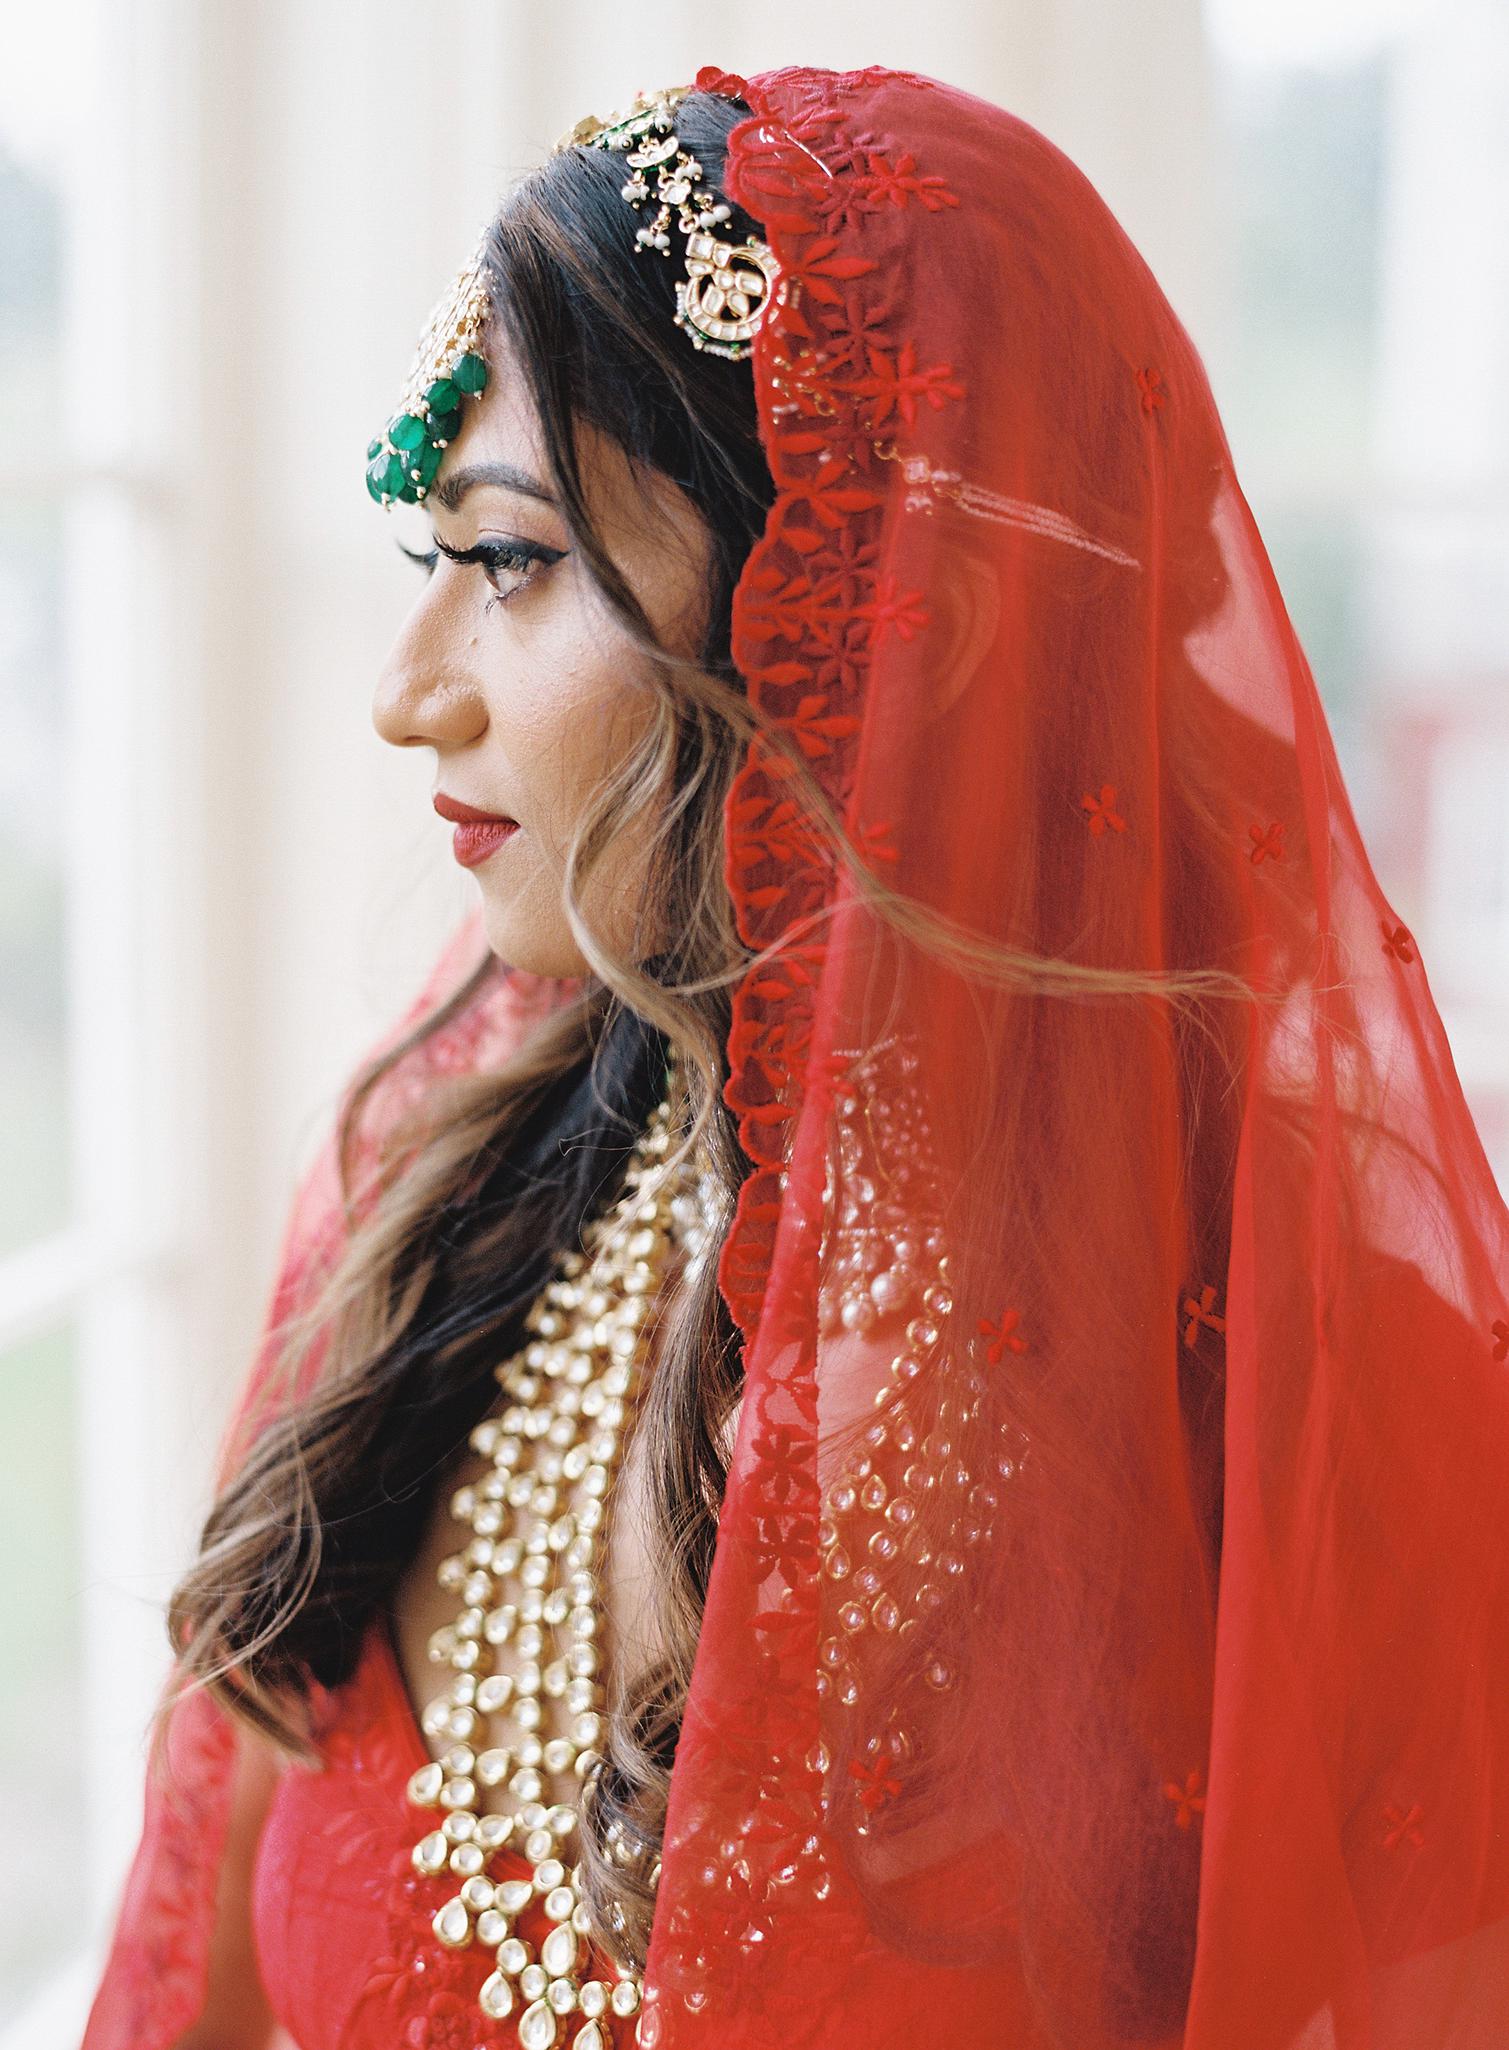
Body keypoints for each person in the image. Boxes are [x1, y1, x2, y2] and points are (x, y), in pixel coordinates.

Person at [81, 61, 1509, 2050]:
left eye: (507, 562)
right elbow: (190, 1986)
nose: (409, 698)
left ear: (911, 612)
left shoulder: (1288, 1372)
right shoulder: (434, 1198)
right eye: (432, 560)